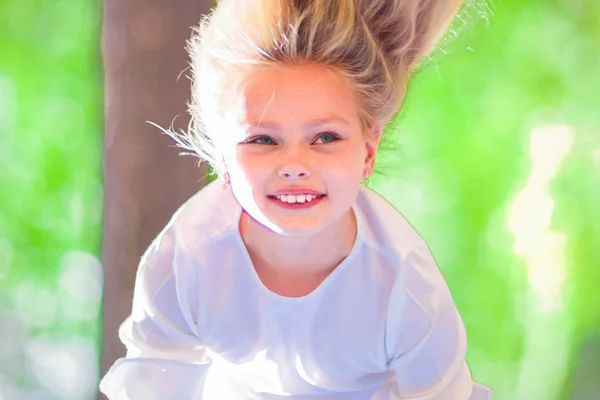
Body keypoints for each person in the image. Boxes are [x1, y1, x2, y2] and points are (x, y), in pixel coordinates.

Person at [100, 0, 493, 398]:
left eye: (325, 138)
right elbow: (153, 382)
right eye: (262, 140)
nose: (294, 165)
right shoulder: (186, 257)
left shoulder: (404, 286)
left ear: (368, 151)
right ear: (223, 156)